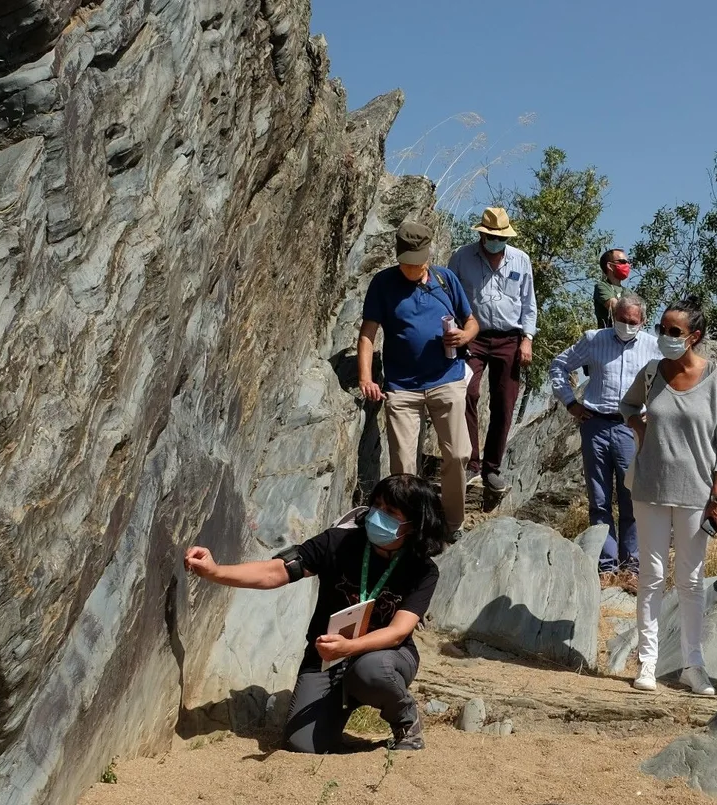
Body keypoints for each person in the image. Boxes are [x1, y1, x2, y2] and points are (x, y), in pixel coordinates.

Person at [183, 474, 448, 753]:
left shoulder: (423, 570)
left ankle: (405, 721)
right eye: (377, 505)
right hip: (327, 657)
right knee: (302, 744)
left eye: (391, 513)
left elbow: (397, 633)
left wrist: (350, 646)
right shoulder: (338, 542)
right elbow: (277, 571)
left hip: (386, 656)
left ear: (414, 525)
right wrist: (215, 572)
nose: (378, 516)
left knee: (372, 670)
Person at [619, 298, 717, 697]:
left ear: (694, 337)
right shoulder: (651, 373)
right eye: (662, 329)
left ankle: (693, 665)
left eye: (674, 332)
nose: (665, 337)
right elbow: (626, 404)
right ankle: (647, 663)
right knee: (650, 577)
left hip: (696, 493)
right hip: (650, 487)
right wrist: (637, 426)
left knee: (690, 580)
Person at [358, 217, 478, 539]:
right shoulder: (382, 284)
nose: (410, 269)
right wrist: (366, 378)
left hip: (447, 379)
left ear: (428, 255)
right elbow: (368, 334)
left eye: (416, 263)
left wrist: (463, 338)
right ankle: (409, 529)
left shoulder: (446, 279)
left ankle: (452, 524)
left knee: (457, 455)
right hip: (401, 389)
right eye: (405, 263)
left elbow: (471, 322)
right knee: (403, 468)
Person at [548, 293, 662, 589]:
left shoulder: (654, 347)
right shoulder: (593, 339)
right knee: (599, 500)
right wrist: (571, 402)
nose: (626, 325)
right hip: (595, 424)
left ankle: (632, 568)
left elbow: (668, 384)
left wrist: (653, 414)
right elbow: (559, 365)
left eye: (632, 321)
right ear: (613, 317)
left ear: (643, 321)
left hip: (631, 427)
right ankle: (604, 566)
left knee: (632, 500)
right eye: (621, 320)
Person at [447, 207, 537, 512]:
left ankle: (492, 467)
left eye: (500, 237)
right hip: (473, 335)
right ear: (481, 234)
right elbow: (449, 295)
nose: (494, 241)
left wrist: (527, 338)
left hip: (510, 338)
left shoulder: (521, 259)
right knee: (466, 392)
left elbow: (529, 302)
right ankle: (471, 461)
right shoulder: (461, 257)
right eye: (490, 236)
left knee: (505, 402)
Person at [594, 249, 632, 329]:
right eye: (623, 262)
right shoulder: (602, 286)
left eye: (628, 262)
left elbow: (641, 315)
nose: (628, 265)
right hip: (607, 337)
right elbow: (616, 308)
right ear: (610, 266)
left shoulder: (629, 292)